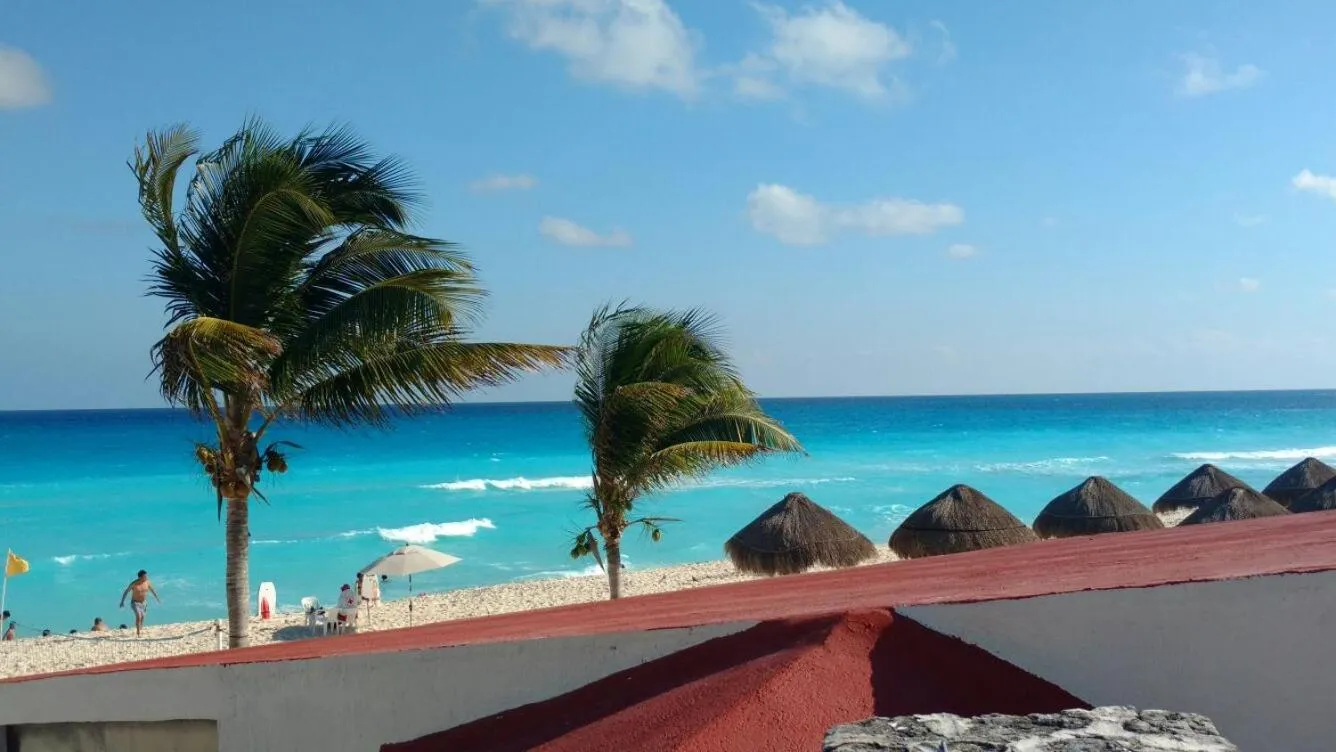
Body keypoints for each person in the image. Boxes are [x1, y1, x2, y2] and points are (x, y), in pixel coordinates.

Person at [119, 569, 161, 636]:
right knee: (138, 615)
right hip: (135, 603)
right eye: (144, 576)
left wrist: (157, 598)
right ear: (140, 577)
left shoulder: (147, 582)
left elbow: (152, 590)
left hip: (143, 603)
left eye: (146, 576)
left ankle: (140, 627)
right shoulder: (134, 584)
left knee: (142, 617)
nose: (146, 577)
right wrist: (122, 601)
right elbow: (126, 592)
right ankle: (138, 633)